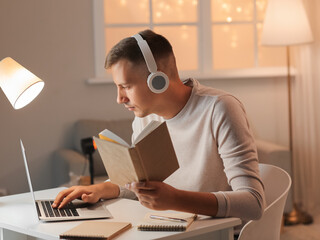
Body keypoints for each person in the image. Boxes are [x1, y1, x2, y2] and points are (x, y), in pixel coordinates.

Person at [52, 29, 265, 231]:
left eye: (126, 86)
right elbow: (142, 184)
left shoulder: (220, 109)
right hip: (168, 229)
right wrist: (101, 189)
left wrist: (174, 199)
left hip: (216, 234)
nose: (119, 99)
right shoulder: (145, 117)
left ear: (158, 80)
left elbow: (252, 203)